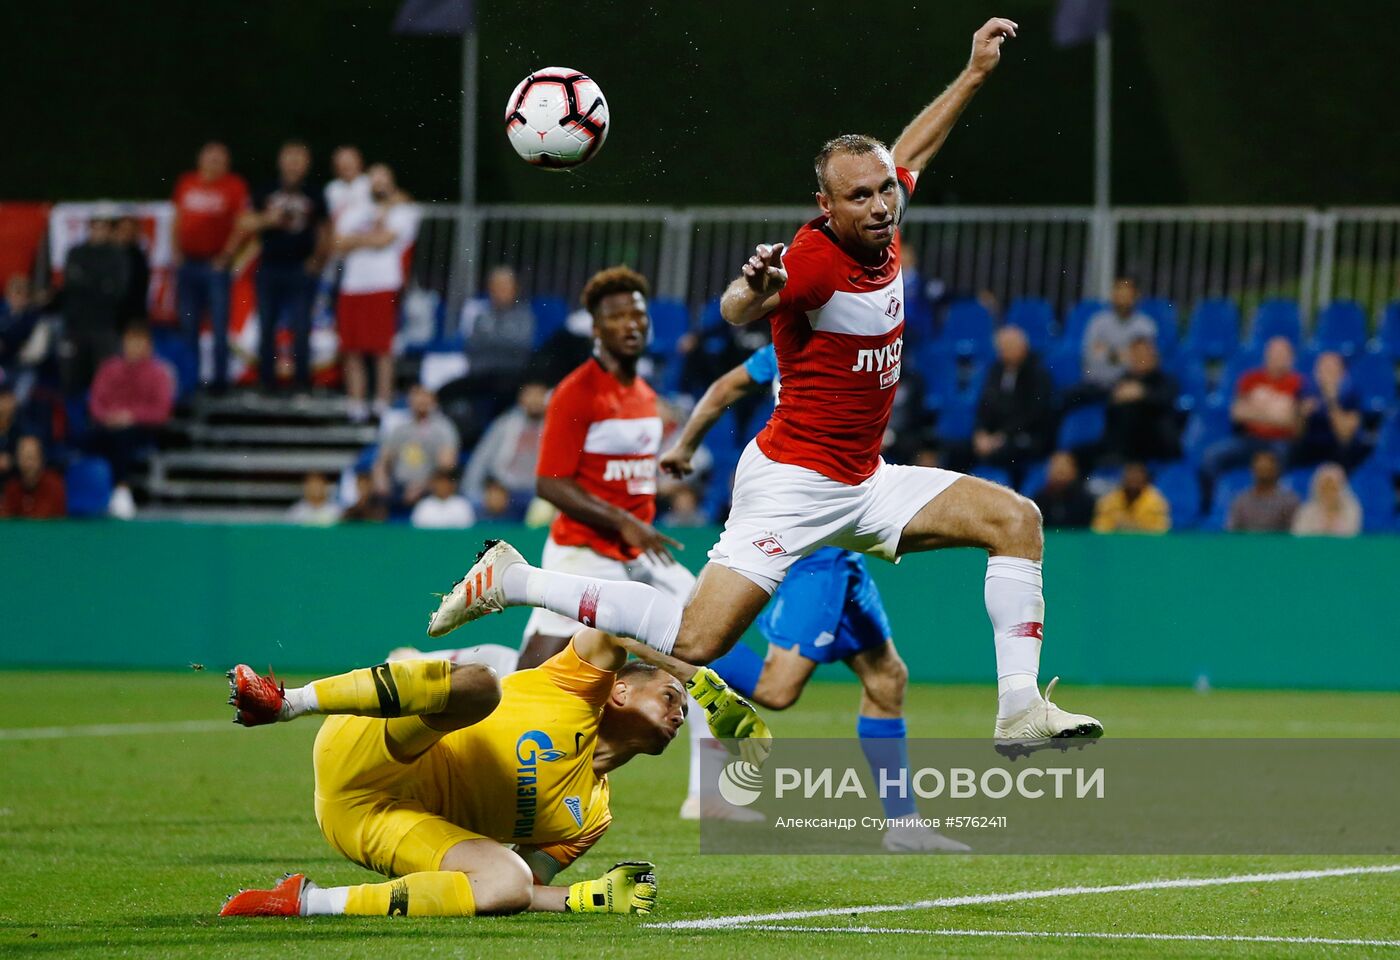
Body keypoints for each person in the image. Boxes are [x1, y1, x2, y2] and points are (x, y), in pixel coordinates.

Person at [430, 19, 1102, 750]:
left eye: (885, 190)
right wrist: (754, 286)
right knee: (697, 640)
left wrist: (973, 74)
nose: (881, 205)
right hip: (792, 486)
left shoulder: (882, 219)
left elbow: (911, 152)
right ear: (826, 206)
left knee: (1016, 520)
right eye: (860, 196)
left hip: (865, 481)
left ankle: (1018, 709)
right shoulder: (811, 263)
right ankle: (513, 580)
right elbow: (734, 309)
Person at [217, 612, 768, 918]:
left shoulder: (592, 817)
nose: (681, 712)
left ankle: (303, 902)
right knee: (482, 684)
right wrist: (703, 682)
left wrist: (586, 898)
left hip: (367, 822)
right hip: (369, 750)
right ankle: (286, 703)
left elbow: (525, 886)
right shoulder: (576, 685)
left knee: (504, 882)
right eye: (671, 696)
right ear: (619, 691)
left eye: (685, 706)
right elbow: (618, 625)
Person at [657, 341, 969, 852]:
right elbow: (726, 387)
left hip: (841, 542)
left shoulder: (837, 340)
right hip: (812, 534)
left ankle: (905, 826)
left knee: (886, 677)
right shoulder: (805, 343)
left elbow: (726, 387)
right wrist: (684, 446)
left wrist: (684, 448)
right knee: (778, 689)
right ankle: (664, 637)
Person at [513, 266, 716, 819]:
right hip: (582, 553)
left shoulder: (644, 394)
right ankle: (481, 748)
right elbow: (549, 482)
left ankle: (709, 794)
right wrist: (623, 521)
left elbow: (626, 474)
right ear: (596, 329)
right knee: (531, 679)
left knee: (701, 648)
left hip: (637, 556)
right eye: (617, 316)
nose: (631, 324)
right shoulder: (576, 392)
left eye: (638, 315)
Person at [335, 163, 419, 420]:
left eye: (384, 178)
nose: (379, 184)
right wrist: (371, 237)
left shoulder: (404, 211)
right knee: (352, 348)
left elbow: (385, 241)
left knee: (382, 348)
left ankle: (382, 401)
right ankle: (356, 403)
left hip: (382, 284)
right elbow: (339, 244)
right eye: (374, 179)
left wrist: (357, 240)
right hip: (352, 285)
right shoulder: (354, 211)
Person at [245, 140, 328, 391]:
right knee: (266, 326)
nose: (293, 165)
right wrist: (267, 219)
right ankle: (266, 382)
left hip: (300, 268)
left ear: (307, 164)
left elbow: (325, 229)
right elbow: (244, 222)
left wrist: (317, 260)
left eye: (298, 160)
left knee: (301, 327)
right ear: (280, 162)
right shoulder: (266, 189)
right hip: (269, 266)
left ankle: (302, 383)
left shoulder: (314, 193)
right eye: (289, 159)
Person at [172, 141, 250, 391]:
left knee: (218, 326)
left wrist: (226, 255)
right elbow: (177, 217)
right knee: (188, 325)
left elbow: (241, 223)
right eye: (210, 157)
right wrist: (176, 251)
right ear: (200, 160)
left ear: (227, 163)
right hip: (188, 264)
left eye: (219, 159)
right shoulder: (186, 182)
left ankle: (219, 382)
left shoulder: (234, 185)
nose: (214, 163)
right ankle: (190, 380)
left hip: (214, 265)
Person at [87, 322, 175, 518]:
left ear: (148, 346)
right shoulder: (109, 368)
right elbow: (95, 402)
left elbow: (161, 411)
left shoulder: (158, 372)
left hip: (141, 428)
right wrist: (107, 417)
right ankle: (91, 495)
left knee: (122, 439)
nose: (133, 347)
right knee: (88, 438)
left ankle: (121, 490)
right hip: (108, 425)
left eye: (138, 343)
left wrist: (131, 416)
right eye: (130, 342)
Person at [1202, 337, 1305, 481]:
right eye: (1274, 353)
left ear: (1291, 359)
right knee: (1211, 457)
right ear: (1266, 355)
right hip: (1249, 438)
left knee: (1282, 456)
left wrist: (1257, 409)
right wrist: (1276, 410)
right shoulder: (1250, 379)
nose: (1277, 358)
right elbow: (1237, 413)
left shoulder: (1298, 383)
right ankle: (1212, 495)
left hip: (1280, 441)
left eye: (1282, 354)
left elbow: (1291, 422)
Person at [451, 266, 538, 429]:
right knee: (451, 393)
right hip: (482, 374)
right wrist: (502, 342)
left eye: (505, 286)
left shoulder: (525, 316)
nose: (500, 291)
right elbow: (472, 347)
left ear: (515, 289)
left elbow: (522, 348)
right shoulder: (481, 316)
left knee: (503, 390)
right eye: (496, 286)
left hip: (510, 375)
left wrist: (491, 343)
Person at [967, 324, 1054, 486]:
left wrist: (1002, 436)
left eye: (1009, 347)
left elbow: (1033, 414)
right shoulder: (996, 370)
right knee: (959, 450)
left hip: (1026, 435)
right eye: (1002, 348)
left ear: (1023, 347)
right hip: (995, 436)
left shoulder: (1038, 373)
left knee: (1006, 452)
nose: (1004, 352)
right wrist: (981, 432)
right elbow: (984, 406)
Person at [59, 216, 129, 391]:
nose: (98, 232)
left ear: (109, 231)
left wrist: (85, 279)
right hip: (76, 324)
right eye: (95, 227)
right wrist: (101, 283)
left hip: (104, 325)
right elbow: (70, 284)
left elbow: (118, 291)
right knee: (71, 378)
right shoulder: (76, 252)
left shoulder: (117, 256)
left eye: (102, 228)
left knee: (105, 379)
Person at [374, 384, 459, 513]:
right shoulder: (401, 428)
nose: (421, 400)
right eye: (417, 395)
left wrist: (422, 487)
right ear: (409, 400)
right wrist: (381, 480)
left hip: (429, 492)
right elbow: (383, 460)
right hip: (399, 489)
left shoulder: (443, 429)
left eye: (425, 395)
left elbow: (447, 466)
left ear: (433, 400)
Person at [461, 379, 548, 503]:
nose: (535, 400)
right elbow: (482, 457)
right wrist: (471, 490)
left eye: (540, 394)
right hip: (506, 490)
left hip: (539, 491)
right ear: (521, 399)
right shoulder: (506, 423)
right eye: (530, 394)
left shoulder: (555, 425)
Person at [1102, 337, 1181, 464]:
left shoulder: (1166, 380)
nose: (1140, 358)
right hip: (1126, 447)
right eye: (1136, 355)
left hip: (1158, 443)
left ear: (1154, 356)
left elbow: (1165, 400)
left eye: (1144, 354)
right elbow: (1110, 408)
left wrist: (1142, 394)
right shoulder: (1123, 381)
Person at [1081, 277, 1156, 392]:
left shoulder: (1145, 325)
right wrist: (1126, 354)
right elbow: (1089, 356)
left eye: (1126, 296)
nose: (1122, 301)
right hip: (1096, 384)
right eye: (1119, 295)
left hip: (1129, 386)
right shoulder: (1097, 322)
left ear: (1136, 297)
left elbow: (1143, 362)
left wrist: (1107, 352)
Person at [1294, 352, 1366, 470]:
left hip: (1338, 448)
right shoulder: (1307, 392)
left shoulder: (1351, 395)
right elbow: (1296, 434)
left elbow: (1344, 436)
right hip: (1310, 446)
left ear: (1342, 373)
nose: (1326, 374)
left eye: (1331, 369)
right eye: (1323, 369)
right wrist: (1302, 415)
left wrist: (1332, 401)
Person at [1227, 448, 1300, 533]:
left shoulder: (1289, 500)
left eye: (1267, 468)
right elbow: (1232, 532)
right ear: (1253, 470)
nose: (1264, 471)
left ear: (1277, 470)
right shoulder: (1241, 500)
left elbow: (1294, 532)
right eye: (1260, 468)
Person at [1090, 461, 1171, 533]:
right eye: (1130, 477)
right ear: (1123, 479)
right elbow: (1100, 529)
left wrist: (1136, 528)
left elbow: (1161, 531)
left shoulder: (1157, 502)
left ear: (1144, 479)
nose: (1133, 481)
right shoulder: (1109, 501)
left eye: (1137, 478)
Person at [1, 435, 65, 519]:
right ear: (17, 460)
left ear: (41, 459)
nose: (28, 463)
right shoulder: (12, 487)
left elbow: (46, 518)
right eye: (23, 457)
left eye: (31, 458)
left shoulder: (54, 485)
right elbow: (5, 518)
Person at [1291, 463, 1362, 537]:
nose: (1329, 492)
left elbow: (1351, 536)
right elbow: (1299, 537)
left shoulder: (1351, 510)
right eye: (1325, 487)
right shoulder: (1307, 511)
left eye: (1333, 488)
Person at [1033, 450, 1095, 529]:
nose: (1059, 472)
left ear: (1074, 471)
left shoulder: (1086, 502)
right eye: (1055, 467)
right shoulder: (1039, 501)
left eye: (1063, 469)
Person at [112, 217, 151, 325]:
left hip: (132, 313)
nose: (126, 234)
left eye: (130, 230)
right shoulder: (106, 255)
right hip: (109, 313)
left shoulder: (138, 256)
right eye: (123, 230)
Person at [411, 468, 476, 529]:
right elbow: (417, 530)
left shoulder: (462, 504)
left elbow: (468, 530)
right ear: (433, 484)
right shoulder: (424, 505)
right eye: (439, 483)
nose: (442, 486)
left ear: (452, 485)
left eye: (445, 482)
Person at [325, 145, 372, 227]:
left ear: (360, 162)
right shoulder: (331, 188)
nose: (346, 165)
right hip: (342, 233)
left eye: (350, 160)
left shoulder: (371, 182)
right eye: (342, 161)